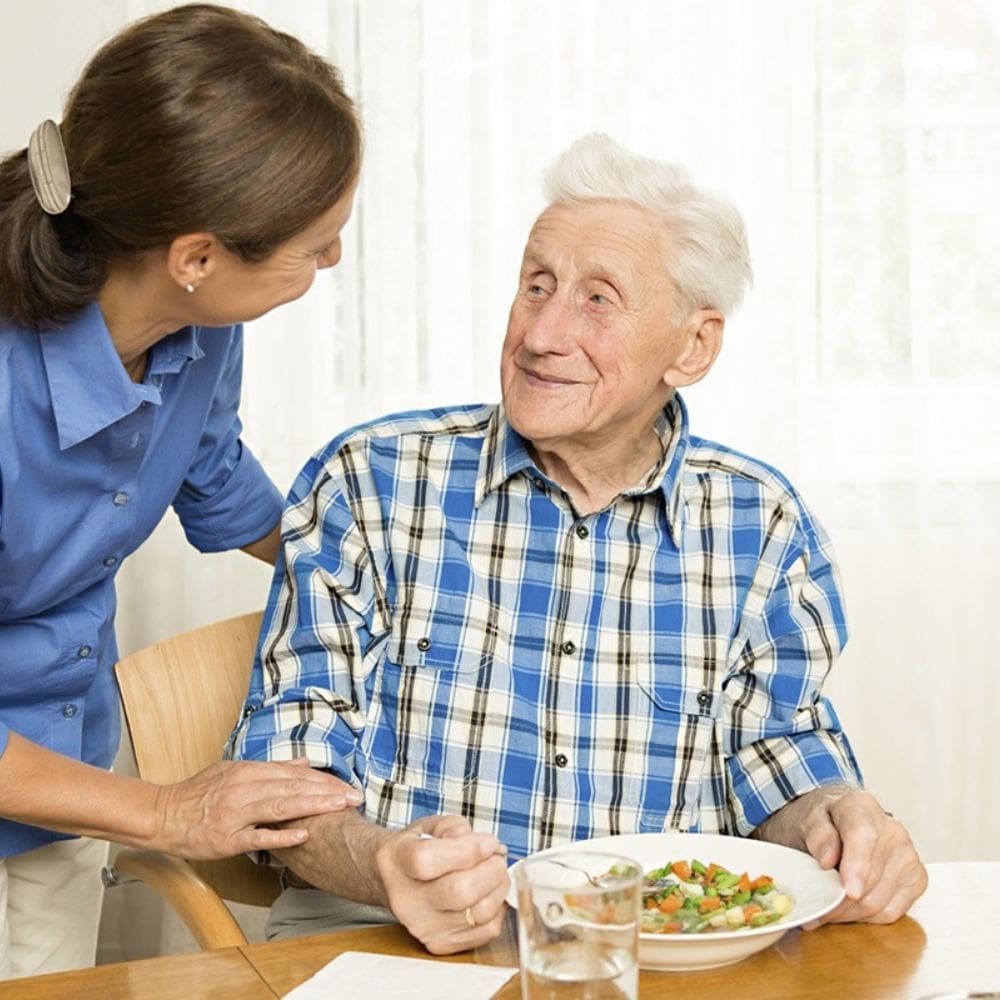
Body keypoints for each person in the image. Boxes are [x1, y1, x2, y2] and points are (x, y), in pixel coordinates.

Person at [228, 133, 928, 956]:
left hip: (651, 965)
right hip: (385, 948)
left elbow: (777, 755)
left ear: (693, 346)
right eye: (536, 286)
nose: (541, 334)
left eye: (598, 299)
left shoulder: (762, 525)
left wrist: (839, 822)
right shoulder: (370, 482)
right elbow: (284, 776)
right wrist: (382, 862)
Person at [0, 3, 366, 979]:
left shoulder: (201, 328)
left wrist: (364, 560)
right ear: (197, 258)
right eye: (317, 243)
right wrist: (169, 808)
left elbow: (210, 475)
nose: (333, 261)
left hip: (60, 756)